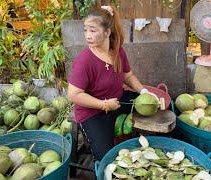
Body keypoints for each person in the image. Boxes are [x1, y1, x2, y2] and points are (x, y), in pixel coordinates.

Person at [67, 5, 158, 160]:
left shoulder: (117, 52)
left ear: (107, 32)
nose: (87, 35)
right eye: (85, 30)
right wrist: (104, 105)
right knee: (106, 157)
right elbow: (73, 95)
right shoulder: (85, 60)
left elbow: (128, 76)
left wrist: (143, 92)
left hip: (117, 99)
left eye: (93, 30)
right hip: (93, 112)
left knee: (152, 105)